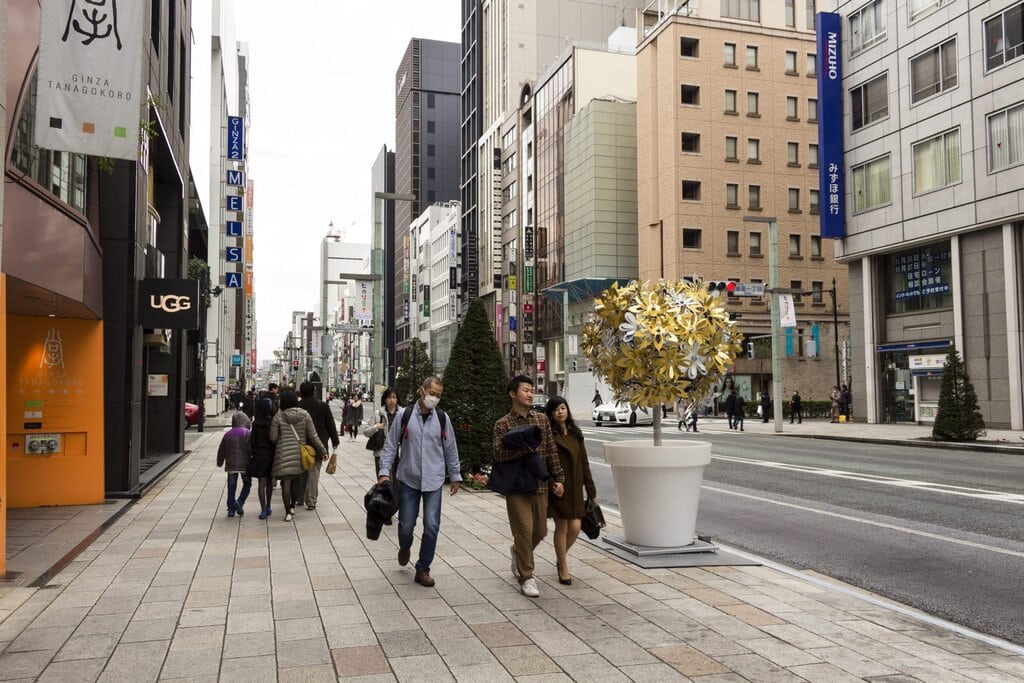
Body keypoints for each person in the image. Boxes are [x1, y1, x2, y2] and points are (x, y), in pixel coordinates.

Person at [378, 376, 462, 588]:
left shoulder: (442, 418)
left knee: (432, 525)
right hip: (408, 478)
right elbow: (390, 446)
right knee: (406, 524)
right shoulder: (405, 415)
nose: (434, 398)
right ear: (421, 391)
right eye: (432, 393)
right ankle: (405, 546)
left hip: (434, 479)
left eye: (438, 395)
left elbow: (450, 448)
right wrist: (384, 472)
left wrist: (455, 475)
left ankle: (423, 568)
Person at [494, 375, 565, 598]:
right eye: (525, 390)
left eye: (531, 390)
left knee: (540, 531)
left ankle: (517, 552)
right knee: (523, 531)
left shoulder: (542, 420)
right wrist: (524, 446)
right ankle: (527, 576)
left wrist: (558, 478)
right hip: (516, 486)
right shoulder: (503, 424)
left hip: (539, 484)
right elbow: (498, 453)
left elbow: (551, 451)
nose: (530, 393)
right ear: (513, 394)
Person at [544, 397, 596, 586]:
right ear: (551, 413)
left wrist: (590, 489)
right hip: (559, 487)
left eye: (563, 408)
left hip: (575, 487)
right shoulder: (549, 434)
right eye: (556, 409)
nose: (560, 412)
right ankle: (563, 566)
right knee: (562, 527)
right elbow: (544, 462)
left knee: (575, 527)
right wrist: (552, 483)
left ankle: (560, 557)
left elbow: (584, 462)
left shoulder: (576, 433)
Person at [269, 389, 326, 522]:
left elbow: (273, 437)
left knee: (286, 482)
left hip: (283, 453)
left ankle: (288, 512)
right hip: (299, 453)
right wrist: (323, 450)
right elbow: (313, 435)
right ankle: (293, 505)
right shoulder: (305, 415)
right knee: (296, 480)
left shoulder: (278, 416)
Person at [299, 381, 340, 511]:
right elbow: (330, 425)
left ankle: (299, 498)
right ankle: (311, 501)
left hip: (300, 444)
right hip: (318, 445)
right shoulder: (322, 406)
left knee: (301, 472)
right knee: (313, 473)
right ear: (314, 391)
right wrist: (335, 441)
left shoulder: (297, 406)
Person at [216, 412, 252, 517]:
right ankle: (240, 501)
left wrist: (220, 461)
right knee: (247, 483)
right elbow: (250, 448)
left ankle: (231, 509)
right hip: (244, 463)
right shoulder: (247, 433)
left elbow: (221, 450)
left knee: (231, 486)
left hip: (231, 464)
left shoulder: (228, 434)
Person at [247, 395, 277, 519]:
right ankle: (269, 505)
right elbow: (275, 439)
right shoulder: (272, 422)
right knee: (270, 481)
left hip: (259, 453)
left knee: (261, 482)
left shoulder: (256, 423)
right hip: (271, 453)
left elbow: (252, 440)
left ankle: (263, 509)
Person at [364, 388, 401, 476]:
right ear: (385, 399)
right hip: (382, 453)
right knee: (384, 482)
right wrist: (376, 426)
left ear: (397, 399)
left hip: (399, 454)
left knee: (398, 483)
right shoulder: (378, 414)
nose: (392, 400)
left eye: (394, 397)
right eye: (389, 397)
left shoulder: (402, 414)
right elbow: (366, 432)